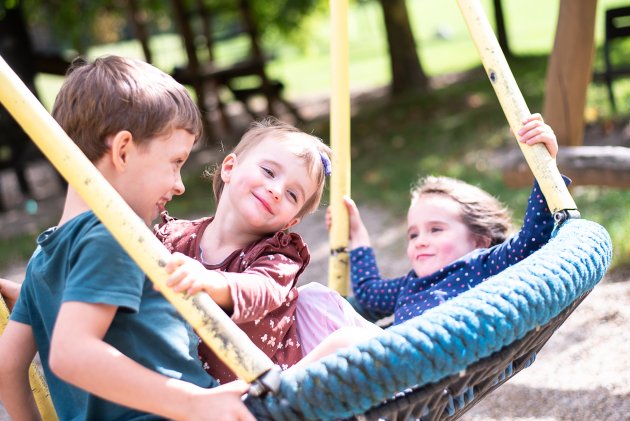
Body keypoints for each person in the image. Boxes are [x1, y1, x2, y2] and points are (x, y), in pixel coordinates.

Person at [0, 55, 254, 421]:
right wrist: (194, 402)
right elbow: (71, 354)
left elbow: (7, 366)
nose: (179, 185)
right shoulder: (113, 237)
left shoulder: (43, 259)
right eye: (175, 162)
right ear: (122, 151)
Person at [156, 118, 377, 382]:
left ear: (290, 222)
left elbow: (260, 290)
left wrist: (212, 282)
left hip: (268, 393)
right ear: (230, 168)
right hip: (179, 383)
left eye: (292, 195)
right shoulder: (173, 238)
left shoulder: (278, 257)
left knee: (348, 338)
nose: (276, 190)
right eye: (269, 172)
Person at [340, 113, 566, 325]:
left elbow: (531, 240)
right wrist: (358, 235)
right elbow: (367, 292)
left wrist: (544, 164)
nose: (420, 241)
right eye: (413, 235)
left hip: (451, 347)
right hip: (400, 352)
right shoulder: (408, 284)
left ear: (480, 241)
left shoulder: (482, 266)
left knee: (345, 338)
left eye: (436, 229)